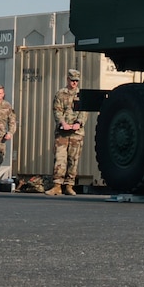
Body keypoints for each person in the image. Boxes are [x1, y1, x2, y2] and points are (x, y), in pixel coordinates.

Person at [49, 67, 84, 196]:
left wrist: (78, 123)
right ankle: (57, 185)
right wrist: (62, 123)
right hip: (62, 133)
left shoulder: (81, 94)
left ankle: (69, 185)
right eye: (72, 80)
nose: (74, 83)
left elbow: (84, 112)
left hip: (76, 133)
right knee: (60, 158)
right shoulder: (60, 94)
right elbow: (57, 110)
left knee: (73, 159)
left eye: (76, 81)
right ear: (68, 79)